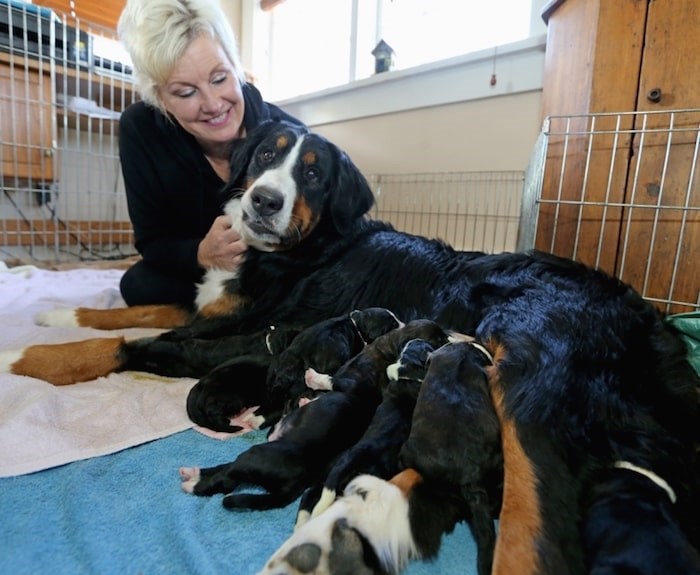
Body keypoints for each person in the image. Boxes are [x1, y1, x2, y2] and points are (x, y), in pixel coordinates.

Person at [116, 0, 303, 306]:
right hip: (201, 267)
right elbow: (152, 240)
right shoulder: (140, 130)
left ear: (236, 67)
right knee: (138, 285)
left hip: (272, 270)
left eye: (220, 79)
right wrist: (201, 253)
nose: (214, 104)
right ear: (159, 98)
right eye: (186, 92)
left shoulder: (288, 134)